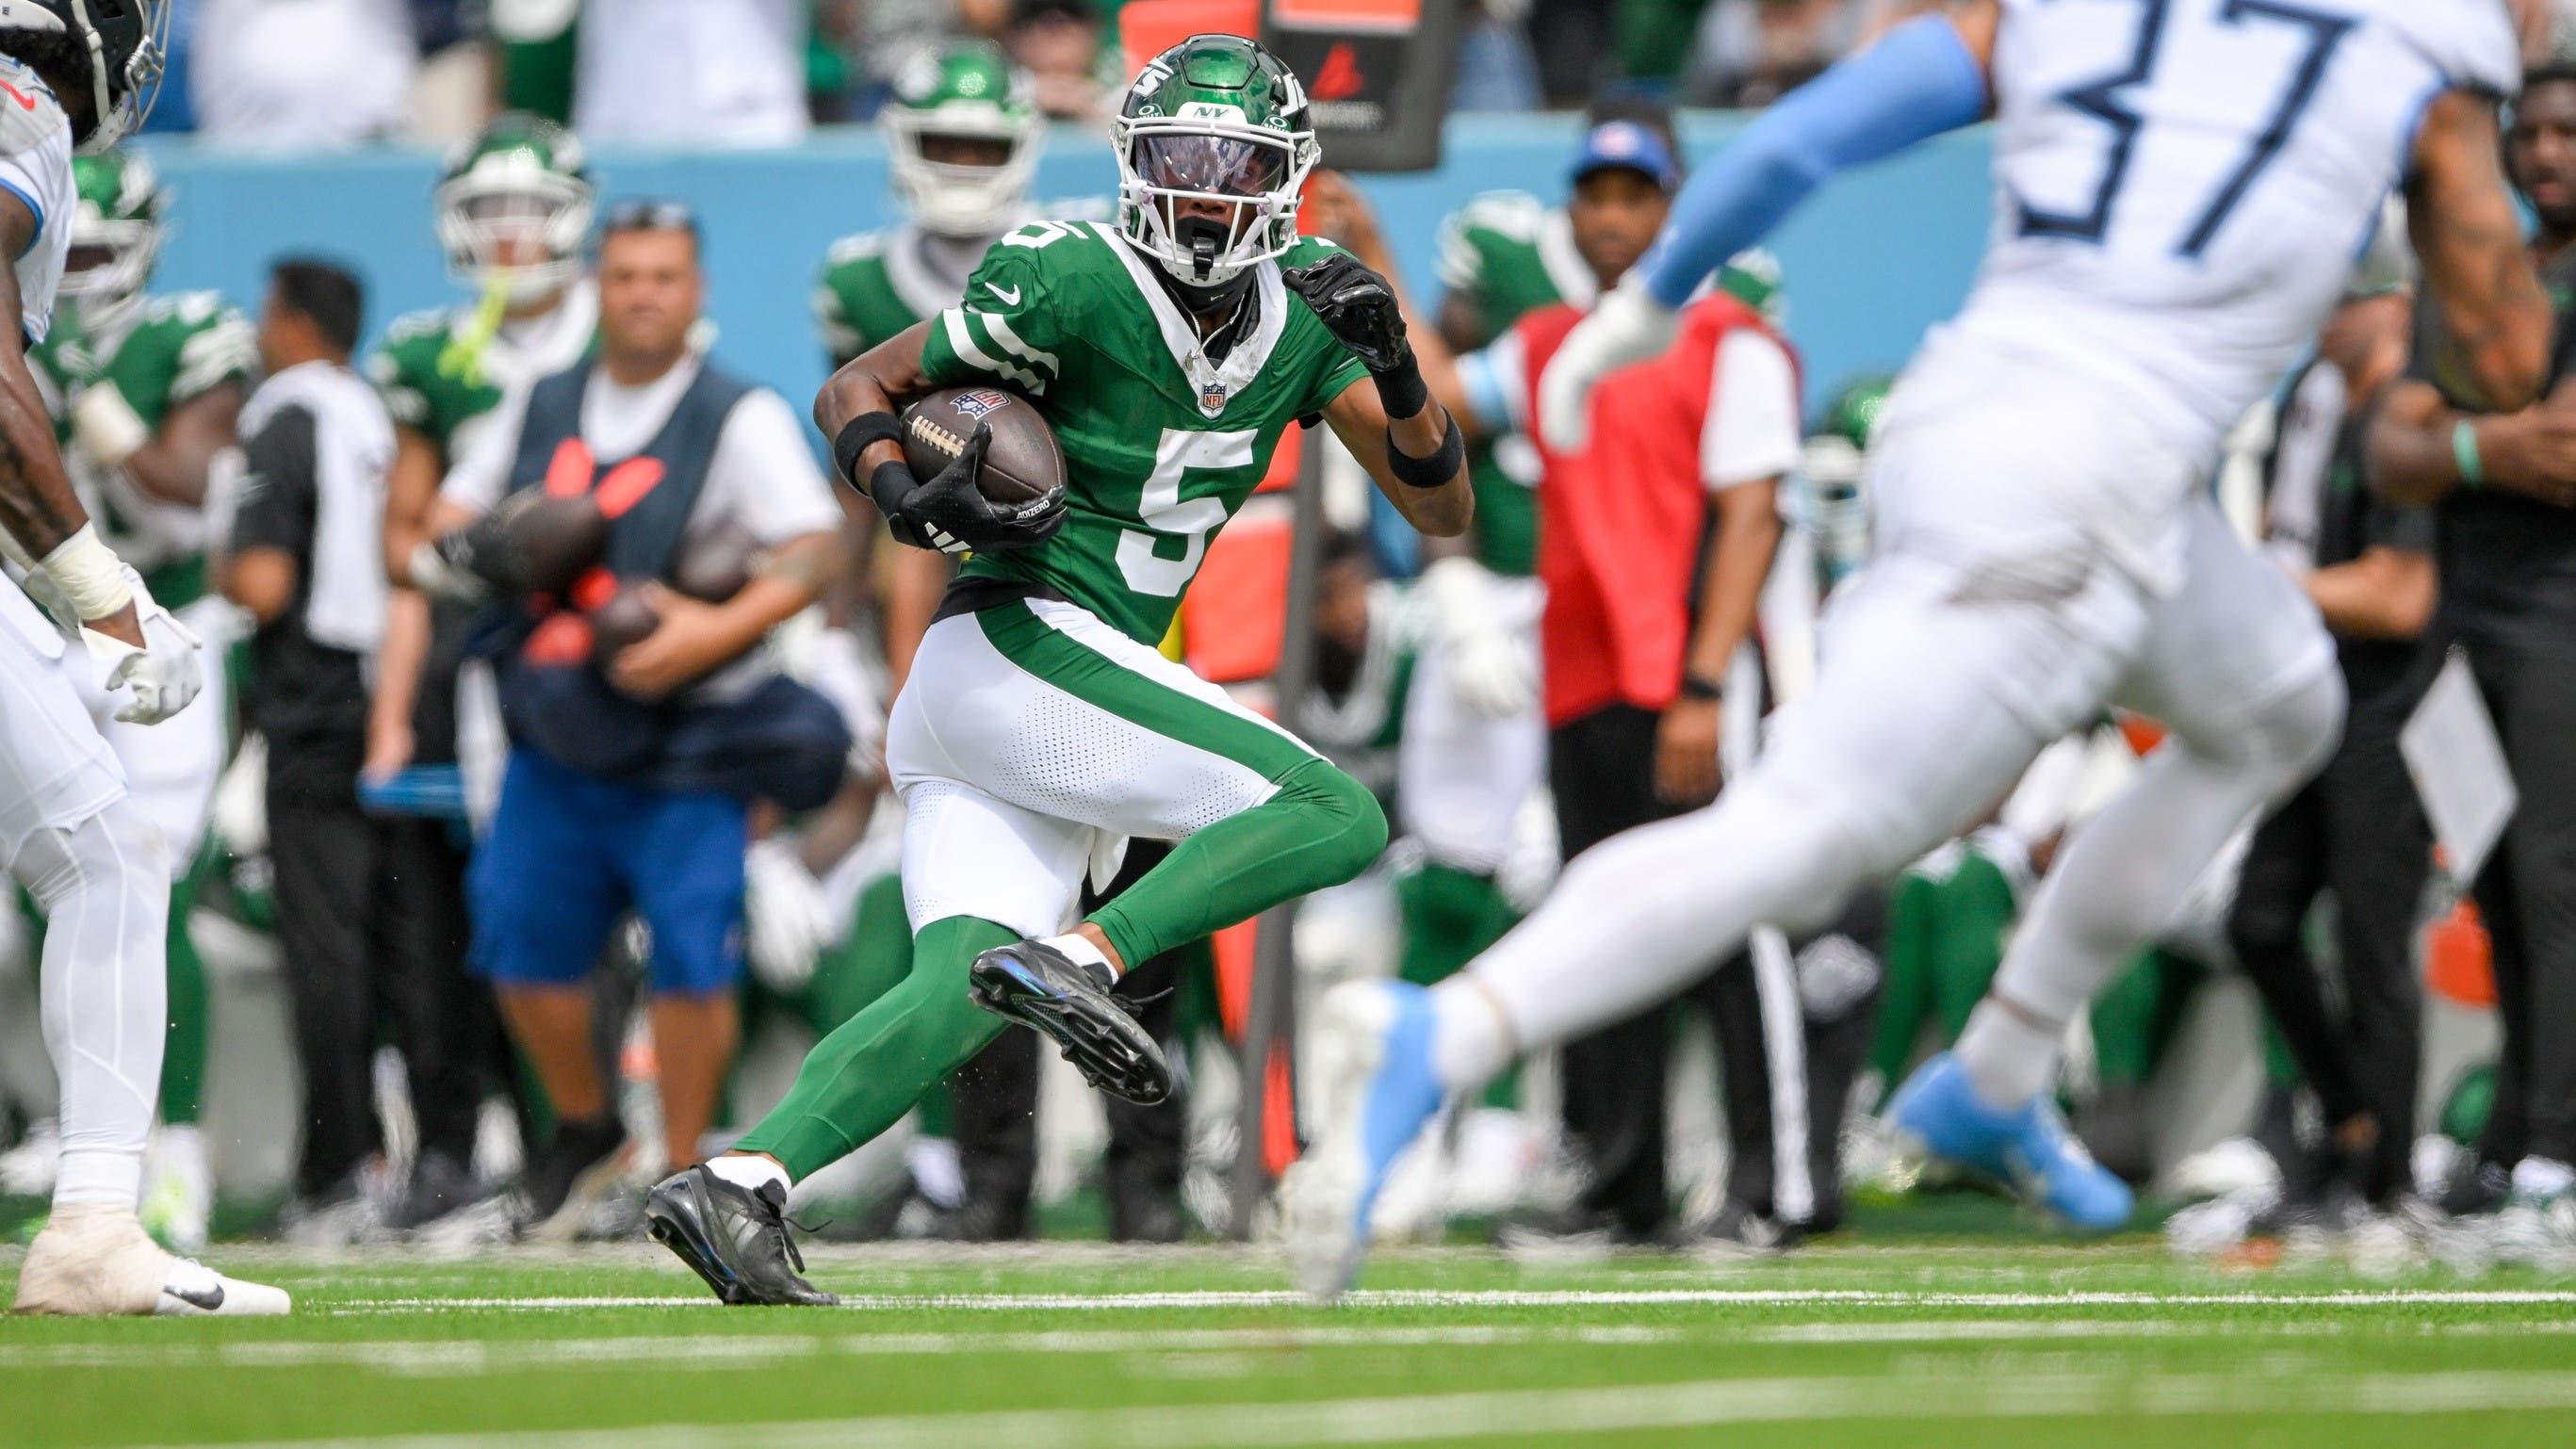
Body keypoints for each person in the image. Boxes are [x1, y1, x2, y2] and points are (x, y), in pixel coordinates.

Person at [1284, 0, 2549, 1298]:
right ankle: (1445, 1034)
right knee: (1799, 832)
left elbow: (1804, 137)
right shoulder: (2416, 50)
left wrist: (1650, 301)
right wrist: (2439, 175)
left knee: (2282, 702)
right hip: (2080, 489)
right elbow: (2507, 359)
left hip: (1991, 422)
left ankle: (1996, 1071)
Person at [645, 33, 1473, 1305]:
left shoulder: (1311, 297)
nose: (1203, 187)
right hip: (1019, 639)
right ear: (1134, 163)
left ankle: (742, 1180)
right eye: (1179, 158)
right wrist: (902, 496)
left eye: (1233, 162)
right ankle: (1088, 959)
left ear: (1284, 173)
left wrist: (1400, 364)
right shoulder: (1070, 269)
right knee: (1333, 809)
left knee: (955, 992)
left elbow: (1438, 506)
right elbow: (863, 385)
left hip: (1025, 693)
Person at [1409, 115, 1805, 1249]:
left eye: (1639, 196)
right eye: (1599, 196)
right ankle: (1618, 1185)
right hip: (1580, 677)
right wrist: (1377, 261)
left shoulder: (1724, 335)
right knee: (1601, 928)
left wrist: (1702, 681)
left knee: (1730, 926)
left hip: (1676, 671)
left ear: (1669, 209)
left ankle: (1770, 1185)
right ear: (1573, 212)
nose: (1617, 218)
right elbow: (1432, 403)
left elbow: (1751, 518)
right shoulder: (1543, 341)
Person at [417, 201, 845, 1238]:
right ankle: (584, 1121)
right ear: (597, 286)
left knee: (695, 950)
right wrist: (504, 551)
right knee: (520, 941)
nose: (643, 294)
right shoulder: (540, 396)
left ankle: (684, 1159)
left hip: (682, 736)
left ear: (694, 291)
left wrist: (710, 628)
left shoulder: (732, 412)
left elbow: (812, 545)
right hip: (557, 731)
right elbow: (448, 517)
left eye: (663, 276)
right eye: (625, 276)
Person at [3, 0, 286, 1315]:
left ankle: (106, 1210)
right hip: (92, 606)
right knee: (104, 854)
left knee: (110, 852)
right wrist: (102, 588)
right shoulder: (23, 104)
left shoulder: (186, 338)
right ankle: (95, 1218)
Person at [371, 111, 600, 1231]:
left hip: (613, 657)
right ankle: (496, 1139)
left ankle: (612, 1133)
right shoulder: (437, 354)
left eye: (530, 215)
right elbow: (401, 545)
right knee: (494, 902)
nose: (511, 241)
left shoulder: (624, 338)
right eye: (489, 218)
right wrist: (482, 549)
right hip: (489, 668)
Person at [2366, 59, 2576, 1258]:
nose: (2544, 152)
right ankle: (2510, 1138)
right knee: (2493, 885)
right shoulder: (2476, 274)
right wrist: (2489, 447)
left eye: (2566, 131)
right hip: (2467, 613)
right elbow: (2389, 442)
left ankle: (2555, 1143)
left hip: (2557, 610)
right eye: (2527, 133)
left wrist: (2450, 439)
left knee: (2555, 879)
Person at [224, 258, 447, 1245]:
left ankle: (336, 1164)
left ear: (292, 321)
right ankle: (427, 1151)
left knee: (325, 948)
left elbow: (266, 581)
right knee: (402, 940)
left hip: (314, 701)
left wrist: (212, 573)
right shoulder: (368, 410)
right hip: (386, 692)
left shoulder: (284, 410)